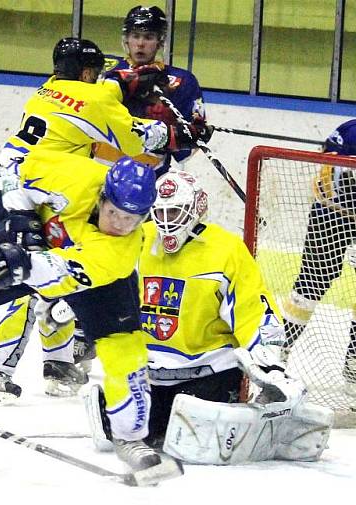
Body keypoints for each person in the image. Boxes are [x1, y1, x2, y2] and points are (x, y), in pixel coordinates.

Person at [0, 149, 182, 477]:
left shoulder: (119, 252)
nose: (120, 225)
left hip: (89, 279)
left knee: (126, 354)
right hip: (38, 233)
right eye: (114, 213)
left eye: (131, 219)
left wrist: (26, 264)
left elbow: (58, 277)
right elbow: (14, 169)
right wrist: (21, 214)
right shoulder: (71, 175)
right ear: (102, 197)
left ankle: (130, 437)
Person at [0, 36, 206, 403]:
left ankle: (58, 363)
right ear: (84, 72)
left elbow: (98, 103)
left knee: (61, 268)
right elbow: (139, 138)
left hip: (16, 187)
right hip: (28, 194)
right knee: (34, 275)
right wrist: (182, 132)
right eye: (94, 72)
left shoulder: (49, 89)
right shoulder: (90, 99)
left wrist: (125, 85)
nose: (98, 78)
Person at [83, 170, 333, 464]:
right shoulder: (137, 240)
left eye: (174, 211)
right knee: (115, 424)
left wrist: (271, 364)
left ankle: (275, 429)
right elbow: (102, 281)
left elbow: (253, 308)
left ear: (196, 209)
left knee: (195, 440)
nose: (166, 222)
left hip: (208, 375)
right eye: (159, 212)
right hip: (148, 374)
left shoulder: (225, 250)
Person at [282, 119, 356, 384]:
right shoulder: (350, 131)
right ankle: (280, 347)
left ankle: (354, 362)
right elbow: (332, 172)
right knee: (312, 281)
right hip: (332, 214)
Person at [99, 5, 210, 178]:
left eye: (148, 37)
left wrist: (187, 133)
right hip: (98, 171)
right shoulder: (102, 69)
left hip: (148, 179)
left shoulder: (180, 81)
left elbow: (186, 152)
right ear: (126, 39)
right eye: (135, 36)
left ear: (160, 41)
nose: (141, 43)